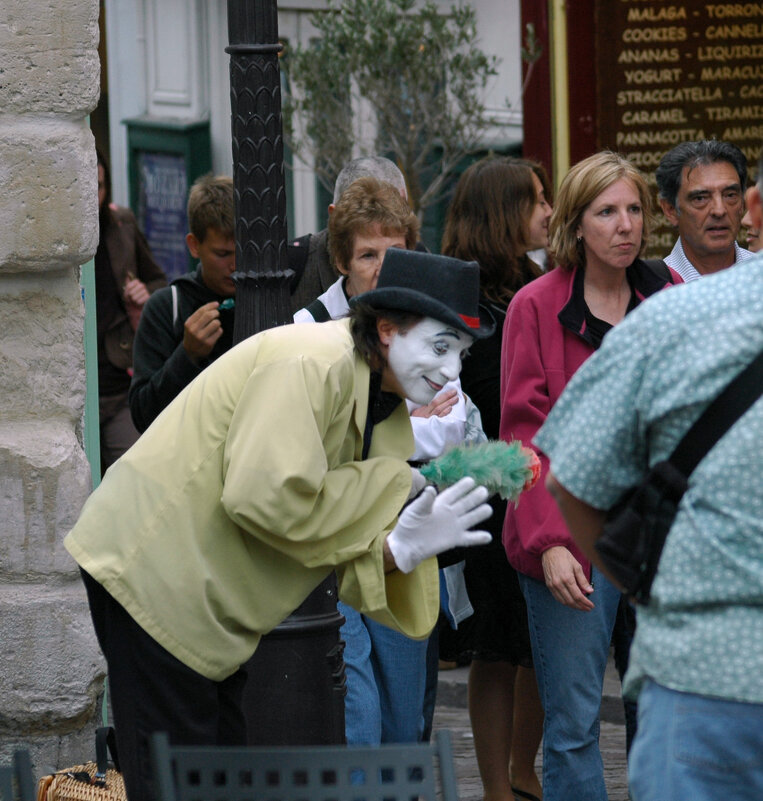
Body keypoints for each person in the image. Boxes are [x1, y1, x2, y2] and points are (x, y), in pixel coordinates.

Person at [65, 247, 496, 801]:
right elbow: (265, 497)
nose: (450, 371)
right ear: (386, 331)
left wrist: (397, 552)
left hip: (206, 597)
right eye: (440, 347)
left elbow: (318, 537)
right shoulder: (313, 361)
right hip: (154, 572)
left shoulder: (383, 413)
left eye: (459, 353)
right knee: (178, 780)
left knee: (216, 779)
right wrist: (389, 488)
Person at [536, 147, 763, 801]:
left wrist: (642, 583)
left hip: (701, 672)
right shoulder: (651, 308)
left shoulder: (664, 319)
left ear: (750, 209)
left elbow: (571, 478)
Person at [500, 151, 682, 801]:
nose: (624, 225)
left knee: (668, 715)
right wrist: (548, 541)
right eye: (606, 211)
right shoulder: (533, 306)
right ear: (575, 225)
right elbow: (523, 436)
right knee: (574, 726)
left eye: (633, 209)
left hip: (657, 538)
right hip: (571, 540)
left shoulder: (668, 296)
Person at [295, 178, 477, 745]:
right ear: (342, 262)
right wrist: (409, 423)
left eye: (391, 253)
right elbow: (324, 451)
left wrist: (408, 429)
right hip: (341, 548)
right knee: (357, 712)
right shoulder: (310, 330)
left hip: (408, 540)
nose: (379, 267)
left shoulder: (427, 323)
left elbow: (450, 435)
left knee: (406, 719)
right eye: (367, 255)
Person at [441, 155, 552, 801]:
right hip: (485, 488)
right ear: (501, 211)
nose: (546, 210)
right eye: (535, 198)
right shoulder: (461, 295)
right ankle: (495, 785)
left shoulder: (541, 280)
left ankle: (522, 767)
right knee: (494, 640)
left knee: (538, 639)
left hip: (540, 485)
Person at [128, 174, 235, 432]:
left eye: (245, 252)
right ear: (194, 246)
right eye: (222, 254)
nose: (235, 265)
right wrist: (187, 354)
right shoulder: (167, 307)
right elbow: (143, 415)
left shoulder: (269, 295)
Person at [94, 149, 166, 475]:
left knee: (136, 476)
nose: (92, 197)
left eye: (98, 186)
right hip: (76, 390)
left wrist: (145, 293)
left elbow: (158, 280)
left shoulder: (121, 223)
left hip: (119, 385)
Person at [289, 156, 409, 313]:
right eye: (364, 212)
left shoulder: (422, 263)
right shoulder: (291, 269)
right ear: (335, 215)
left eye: (398, 210)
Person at [656, 139, 753, 281]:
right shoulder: (655, 290)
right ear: (670, 210)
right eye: (700, 199)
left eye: (730, 195)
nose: (719, 211)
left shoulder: (758, 273)